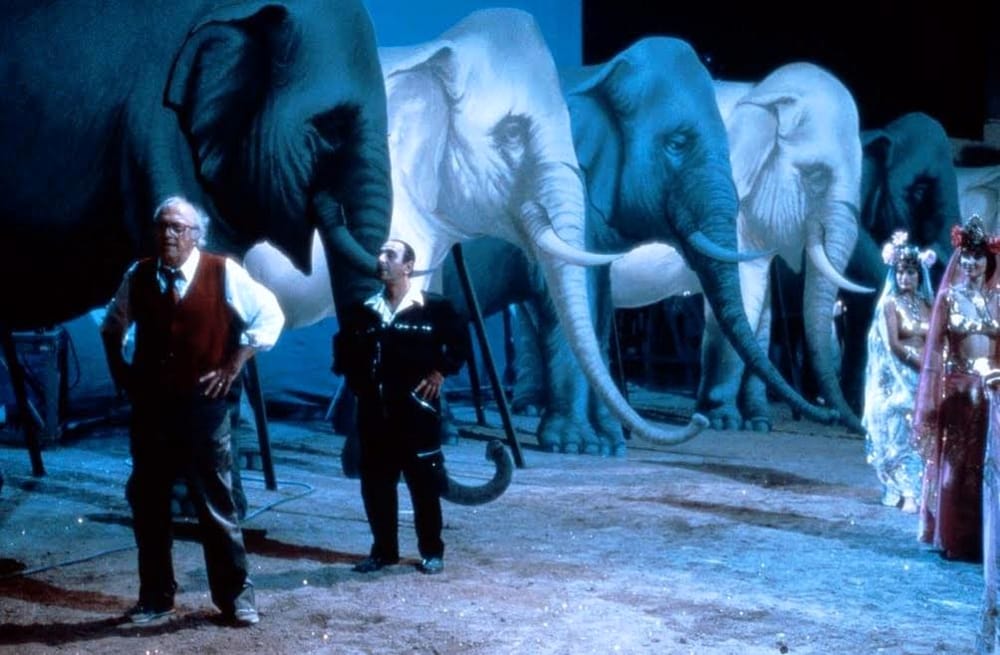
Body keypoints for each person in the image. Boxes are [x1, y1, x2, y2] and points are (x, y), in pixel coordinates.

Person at [101, 196, 285, 625]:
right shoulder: (139, 275)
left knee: (216, 504)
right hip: (152, 412)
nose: (168, 234)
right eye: (162, 226)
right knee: (149, 504)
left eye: (178, 228)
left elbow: (269, 316)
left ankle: (236, 599)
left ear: (196, 235)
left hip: (204, 409)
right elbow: (112, 326)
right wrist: (121, 374)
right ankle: (156, 598)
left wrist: (234, 364)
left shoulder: (223, 272)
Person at [333, 239, 468, 575]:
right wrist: (361, 387)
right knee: (376, 486)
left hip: (417, 416)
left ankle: (432, 552)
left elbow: (460, 347)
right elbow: (343, 354)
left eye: (390, 255)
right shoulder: (363, 311)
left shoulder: (435, 308)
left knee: (424, 486)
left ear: (408, 266)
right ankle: (383, 552)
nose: (381, 259)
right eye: (380, 253)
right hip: (375, 417)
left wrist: (440, 371)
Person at [913, 214, 1000, 562]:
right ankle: (956, 537)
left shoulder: (998, 299)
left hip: (993, 392)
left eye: (978, 256)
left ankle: (986, 539)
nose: (971, 263)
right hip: (958, 392)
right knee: (957, 466)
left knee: (987, 465)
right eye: (966, 256)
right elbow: (934, 351)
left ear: (989, 260)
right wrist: (932, 396)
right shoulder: (949, 297)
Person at [861, 232, 935, 513]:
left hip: (925, 377)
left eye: (911, 272)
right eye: (901, 272)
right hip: (898, 379)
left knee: (922, 435)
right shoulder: (890, 304)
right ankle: (905, 491)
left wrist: (932, 367)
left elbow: (935, 340)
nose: (905, 278)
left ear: (920, 275)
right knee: (899, 434)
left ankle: (920, 489)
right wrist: (920, 364)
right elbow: (893, 343)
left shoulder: (928, 305)